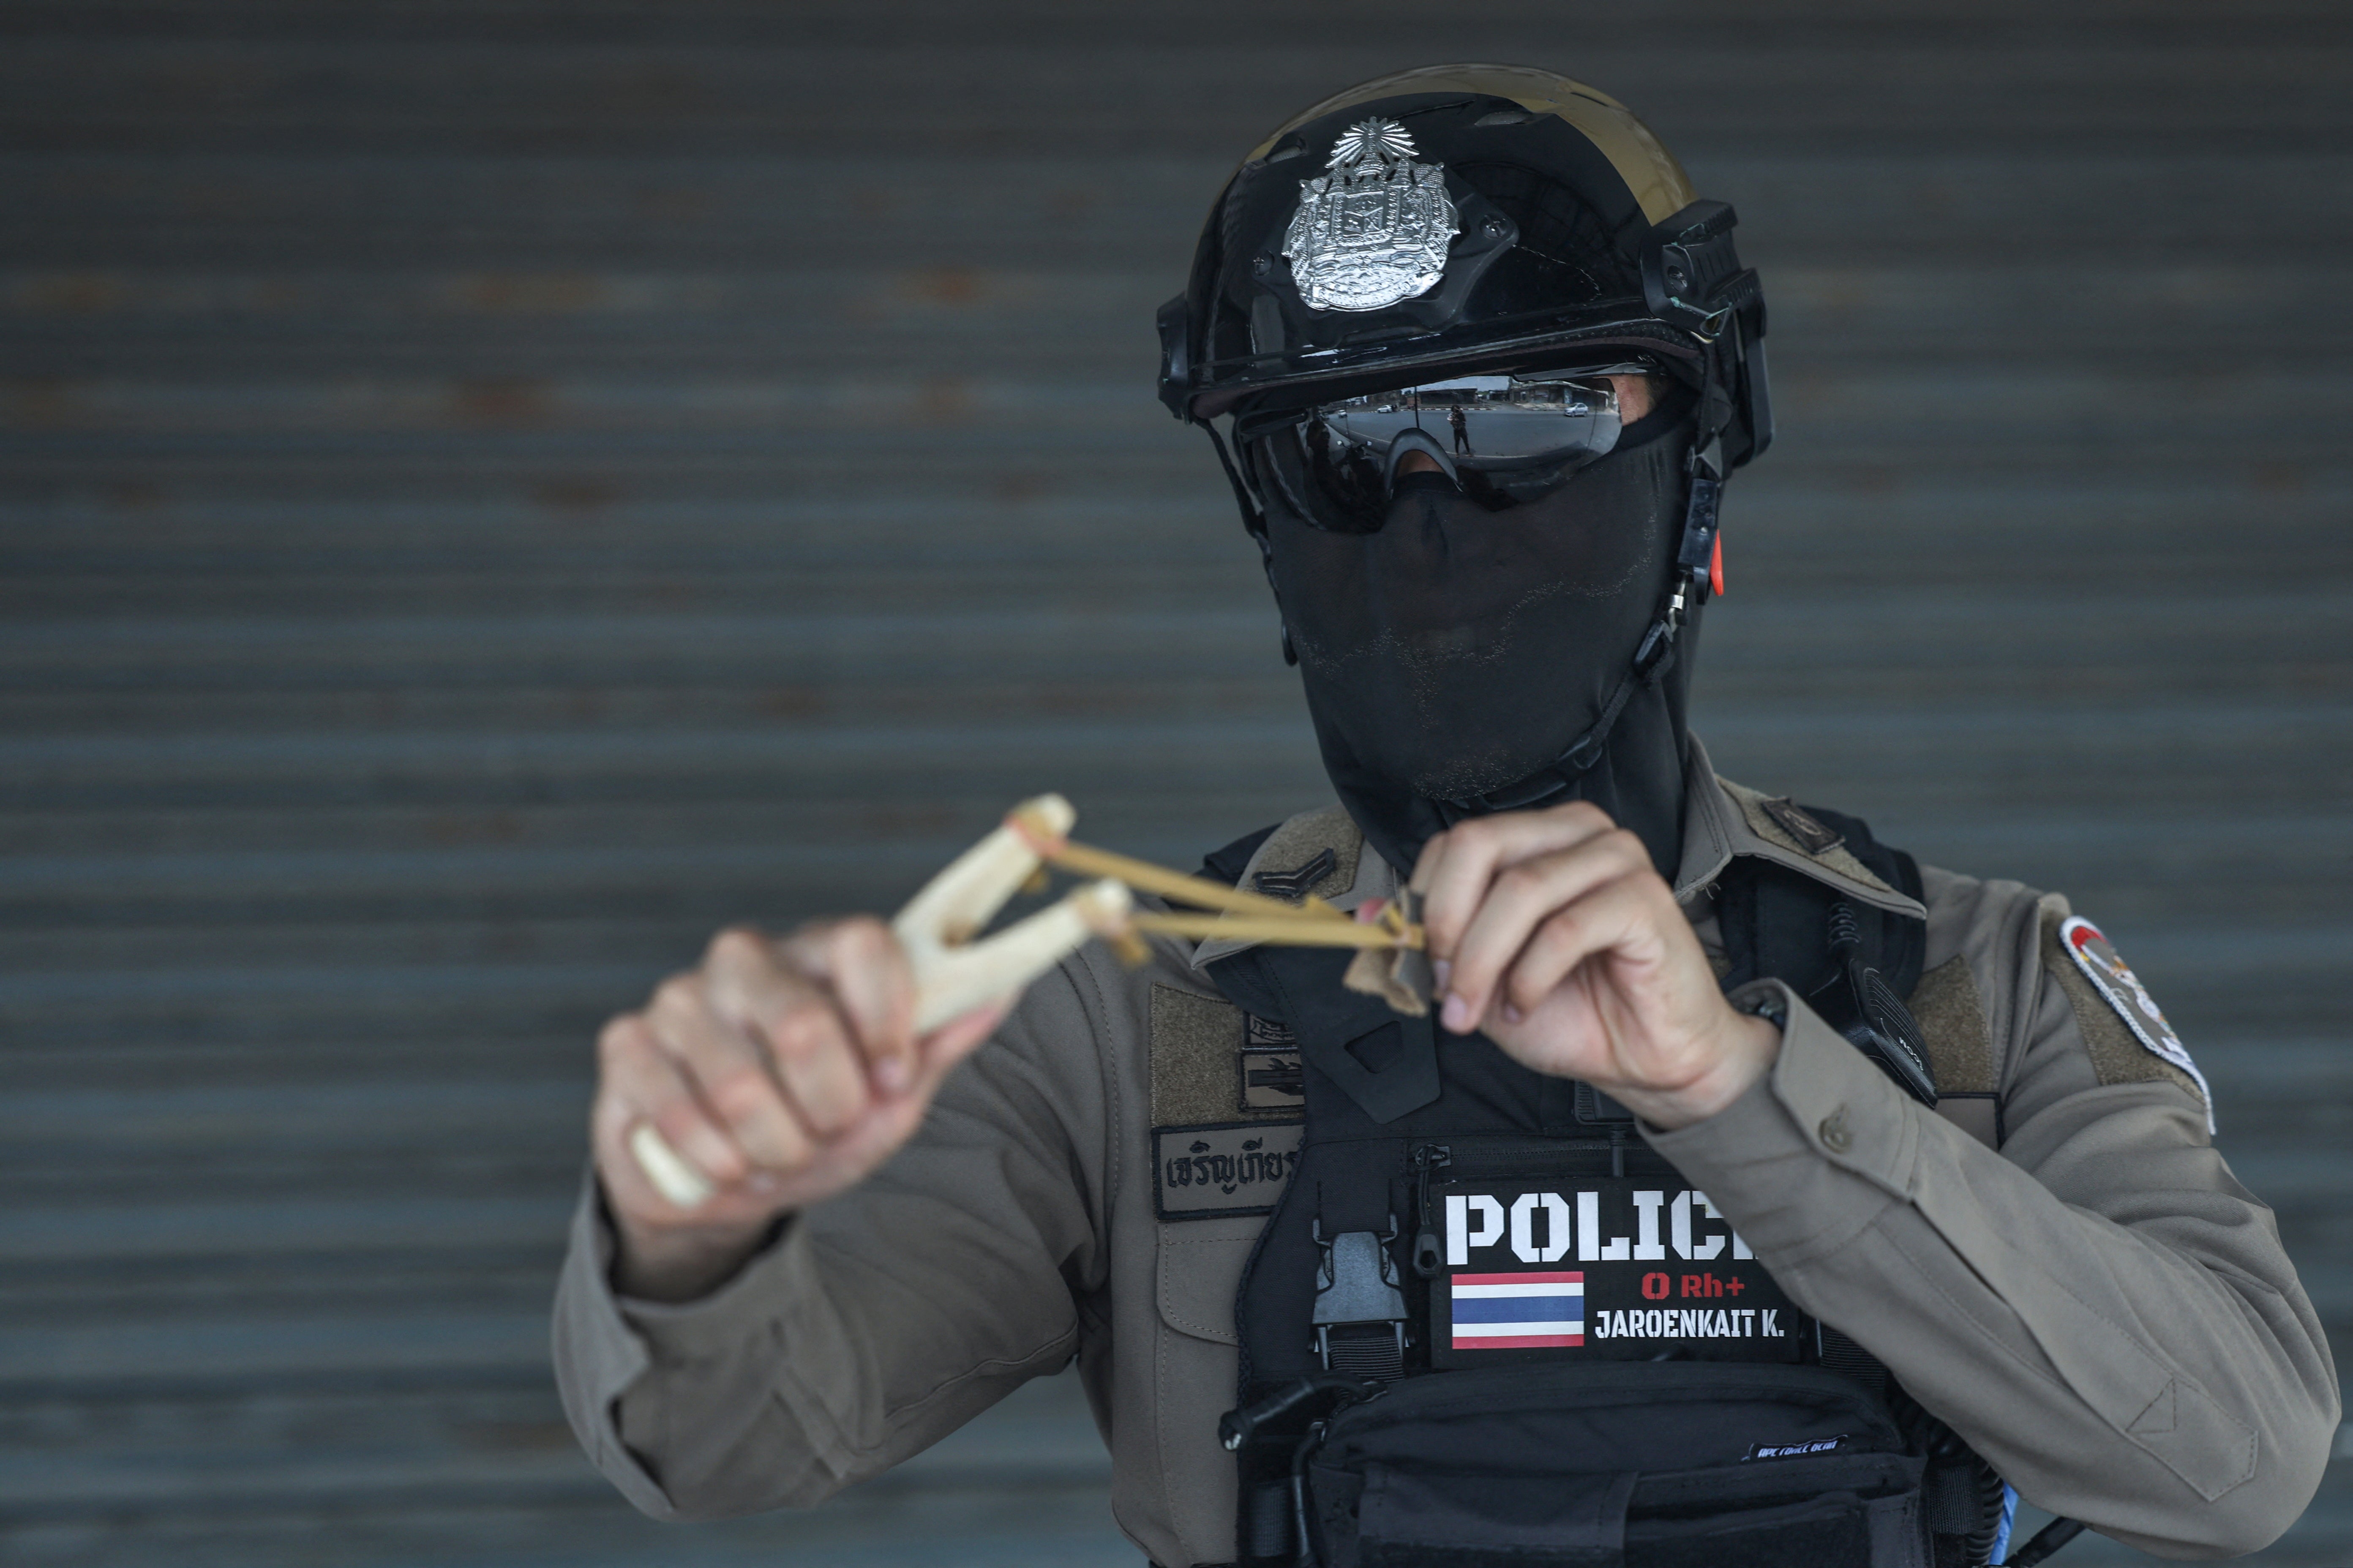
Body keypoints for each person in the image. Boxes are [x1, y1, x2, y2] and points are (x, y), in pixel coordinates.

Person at [553, 66, 2337, 1567]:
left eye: (1525, 424)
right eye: (1337, 453)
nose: (1425, 527)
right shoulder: (1133, 1013)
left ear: (1696, 469)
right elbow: (721, 1445)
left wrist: (1739, 1088)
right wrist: (688, 1220)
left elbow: (2239, 1459)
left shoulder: (1968, 978)